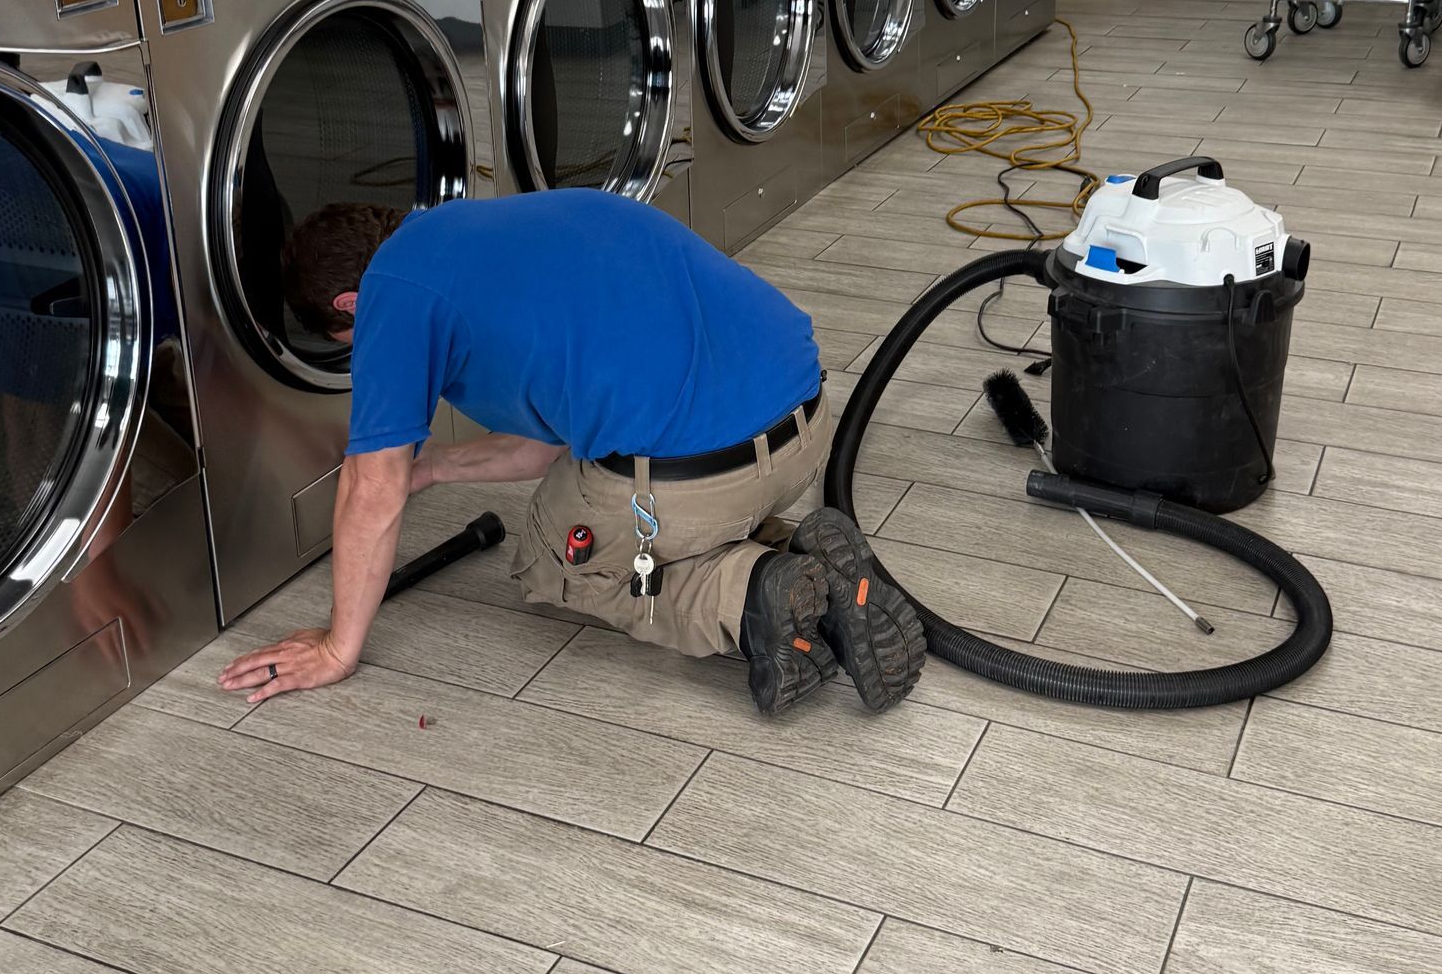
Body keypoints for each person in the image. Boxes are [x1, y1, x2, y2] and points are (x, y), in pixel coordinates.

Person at [218, 190, 925, 717]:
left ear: (348, 304)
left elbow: (367, 488)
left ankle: (754, 593)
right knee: (602, 489)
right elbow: (544, 444)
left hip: (705, 471)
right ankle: (810, 554)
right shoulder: (482, 232)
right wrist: (432, 468)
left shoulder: (391, 296)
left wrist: (340, 646)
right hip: (804, 420)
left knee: (555, 565)